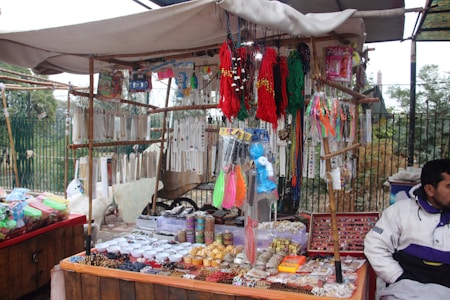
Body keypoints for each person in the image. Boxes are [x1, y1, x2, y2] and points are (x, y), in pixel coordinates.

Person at [364, 158, 450, 299]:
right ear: (429, 189)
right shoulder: (400, 211)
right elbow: (375, 244)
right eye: (449, 186)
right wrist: (397, 277)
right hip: (404, 291)